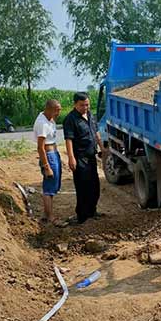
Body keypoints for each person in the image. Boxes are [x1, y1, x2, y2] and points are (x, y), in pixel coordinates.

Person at [63, 92, 106, 224]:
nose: (85, 107)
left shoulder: (91, 115)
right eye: (82, 105)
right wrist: (71, 158)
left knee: (94, 186)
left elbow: (96, 132)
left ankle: (92, 211)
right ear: (75, 104)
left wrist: (102, 148)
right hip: (80, 158)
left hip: (91, 157)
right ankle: (82, 216)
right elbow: (69, 139)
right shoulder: (70, 119)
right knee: (83, 187)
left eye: (87, 105)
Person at [33, 99, 63, 226]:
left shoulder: (49, 119)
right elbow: (40, 147)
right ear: (49, 109)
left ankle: (46, 215)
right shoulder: (42, 124)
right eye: (57, 110)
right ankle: (50, 217)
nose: (59, 113)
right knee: (49, 187)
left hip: (54, 154)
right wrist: (46, 166)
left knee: (54, 185)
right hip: (48, 156)